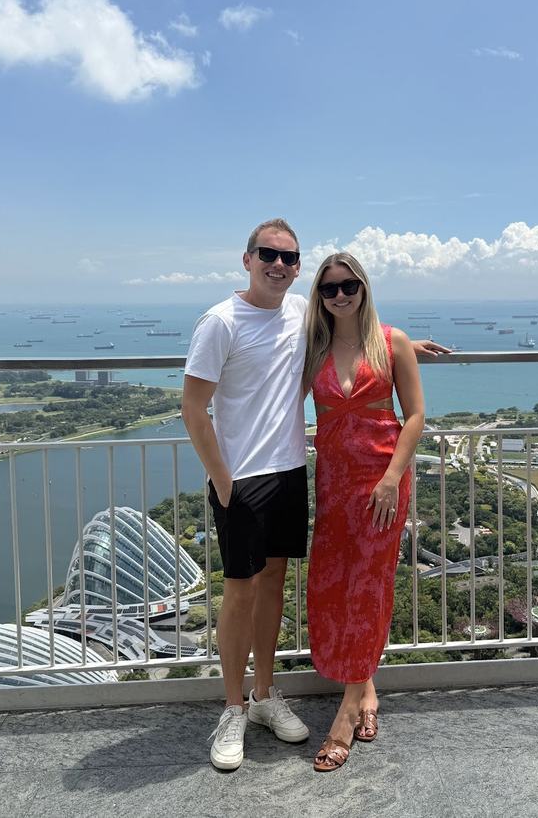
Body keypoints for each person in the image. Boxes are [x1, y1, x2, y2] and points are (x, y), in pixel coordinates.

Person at [182, 220, 443, 771]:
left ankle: (299, 699)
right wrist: (222, 480)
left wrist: (402, 350)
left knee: (334, 582)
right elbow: (193, 407)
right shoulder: (229, 323)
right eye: (268, 255)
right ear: (248, 258)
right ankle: (238, 706)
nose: (339, 294)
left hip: (315, 476)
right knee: (262, 589)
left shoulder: (310, 318)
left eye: (289, 257)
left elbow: (376, 359)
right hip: (264, 480)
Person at [302, 252, 425, 772]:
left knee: (369, 588)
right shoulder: (314, 346)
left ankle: (346, 714)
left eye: (348, 286)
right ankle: (367, 690)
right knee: (334, 586)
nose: (340, 296)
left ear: (363, 288)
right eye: (329, 289)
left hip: (382, 484)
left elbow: (415, 414)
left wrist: (392, 479)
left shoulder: (391, 341)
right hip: (334, 486)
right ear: (320, 297)